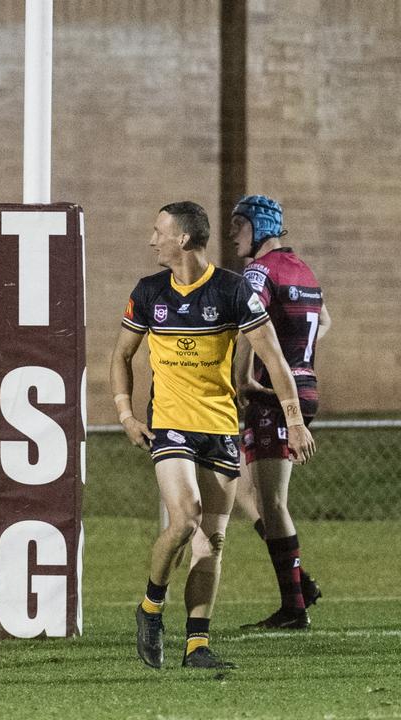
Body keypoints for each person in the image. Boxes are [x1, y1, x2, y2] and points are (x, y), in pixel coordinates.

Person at [110, 201, 315, 670]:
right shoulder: (148, 292)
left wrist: (294, 418)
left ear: (183, 238)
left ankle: (196, 646)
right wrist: (125, 416)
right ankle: (150, 608)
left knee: (212, 541)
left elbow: (275, 359)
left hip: (220, 427)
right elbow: (120, 357)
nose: (151, 239)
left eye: (158, 230)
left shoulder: (232, 290)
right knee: (185, 519)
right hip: (170, 425)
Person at [227, 195, 330, 629]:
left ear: (258, 227)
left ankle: (294, 607)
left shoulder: (258, 271)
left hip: (272, 396)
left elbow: (250, 330)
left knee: (272, 501)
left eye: (238, 226)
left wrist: (240, 382)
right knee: (243, 489)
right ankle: (298, 583)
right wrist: (298, 360)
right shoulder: (302, 270)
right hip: (302, 388)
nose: (233, 235)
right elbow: (323, 321)